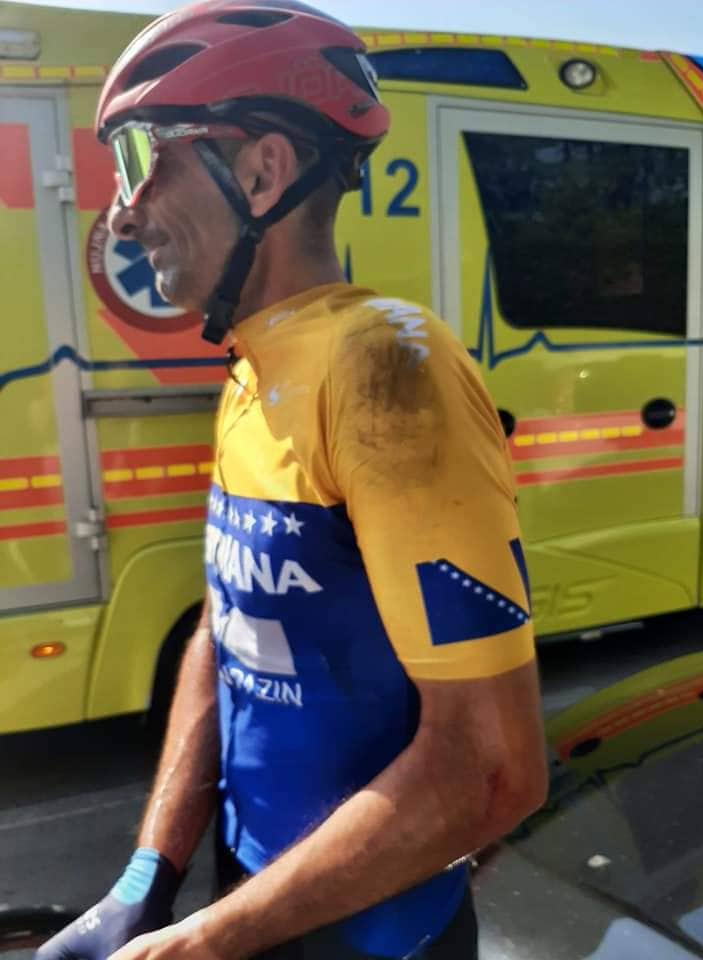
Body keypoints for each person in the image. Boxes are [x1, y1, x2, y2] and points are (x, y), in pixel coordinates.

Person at [37, 2, 548, 958]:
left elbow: (492, 770)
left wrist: (196, 945)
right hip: (256, 901)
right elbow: (224, 629)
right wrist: (150, 877)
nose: (125, 211)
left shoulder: (386, 366)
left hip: (376, 938)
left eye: (144, 159)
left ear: (262, 171)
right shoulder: (252, 367)